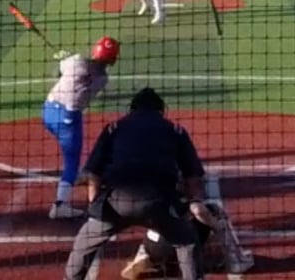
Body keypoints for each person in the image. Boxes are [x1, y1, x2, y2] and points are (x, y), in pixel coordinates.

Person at [62, 87, 207, 280]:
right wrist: (193, 203)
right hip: (159, 204)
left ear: (132, 109)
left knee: (84, 241)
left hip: (117, 203)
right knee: (186, 242)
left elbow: (94, 172)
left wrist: (95, 205)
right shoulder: (175, 130)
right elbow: (193, 177)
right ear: (161, 110)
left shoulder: (114, 128)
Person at [44, 36, 120, 219]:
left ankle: (76, 176)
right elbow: (85, 73)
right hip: (67, 120)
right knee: (72, 162)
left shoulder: (76, 61)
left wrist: (65, 59)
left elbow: (59, 72)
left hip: (48, 112)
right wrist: (68, 59)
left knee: (74, 152)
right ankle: (60, 205)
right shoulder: (102, 79)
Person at [122, 199, 254, 279]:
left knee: (158, 223)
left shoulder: (154, 183)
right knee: (214, 211)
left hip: (154, 244)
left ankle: (145, 255)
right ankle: (236, 261)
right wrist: (216, 226)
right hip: (179, 245)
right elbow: (198, 210)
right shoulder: (183, 181)